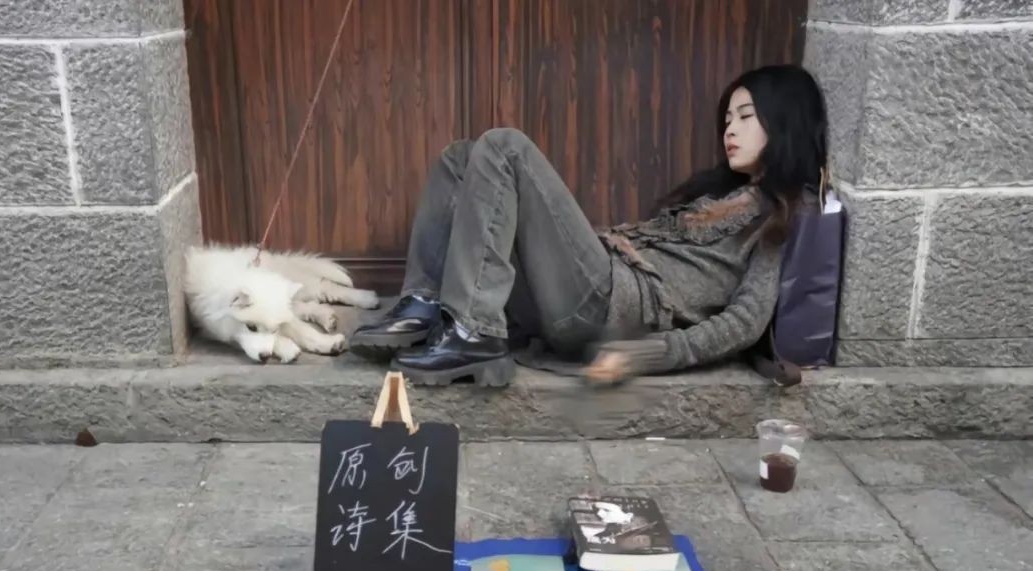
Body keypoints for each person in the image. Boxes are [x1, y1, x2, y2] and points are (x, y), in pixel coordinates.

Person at [349, 64, 829, 387]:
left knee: (505, 147)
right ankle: (427, 305)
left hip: (610, 307)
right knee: (462, 157)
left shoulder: (784, 214)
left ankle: (473, 332)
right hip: (584, 293)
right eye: (727, 119)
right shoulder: (720, 194)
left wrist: (646, 355)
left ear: (784, 123)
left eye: (745, 117)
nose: (729, 130)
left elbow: (745, 323)